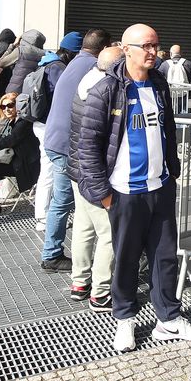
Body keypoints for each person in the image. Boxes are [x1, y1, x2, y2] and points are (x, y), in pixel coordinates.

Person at [77, 23, 191, 353]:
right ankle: (124, 320)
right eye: (146, 46)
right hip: (124, 192)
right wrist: (103, 193)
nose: (153, 52)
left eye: (156, 45)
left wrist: (171, 170)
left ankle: (169, 319)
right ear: (126, 48)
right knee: (126, 260)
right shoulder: (107, 89)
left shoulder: (159, 83)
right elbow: (87, 146)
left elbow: (168, 130)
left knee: (164, 258)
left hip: (160, 187)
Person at [56, 46, 125, 312]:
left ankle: (80, 283)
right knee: (108, 233)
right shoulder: (105, 90)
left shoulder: (86, 79)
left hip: (76, 169)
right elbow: (95, 141)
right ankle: (101, 292)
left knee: (84, 228)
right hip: (94, 173)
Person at [40, 28, 111, 241]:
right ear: (105, 49)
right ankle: (52, 254)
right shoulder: (93, 67)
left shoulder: (73, 63)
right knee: (66, 202)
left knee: (66, 201)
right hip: (66, 143)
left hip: (55, 137)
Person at [31, 31, 84, 232]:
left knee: (48, 171)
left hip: (41, 123)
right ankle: (43, 217)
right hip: (49, 125)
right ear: (70, 53)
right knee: (49, 173)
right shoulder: (58, 68)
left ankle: (44, 215)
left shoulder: (45, 62)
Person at [4, 30, 47, 94]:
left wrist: (12, 45)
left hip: (15, 92)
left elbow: (2, 63)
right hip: (33, 93)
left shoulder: (20, 50)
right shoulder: (45, 54)